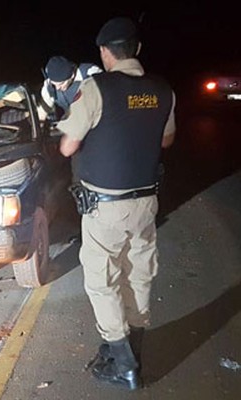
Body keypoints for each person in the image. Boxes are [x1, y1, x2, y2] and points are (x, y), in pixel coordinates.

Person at [56, 17, 176, 390]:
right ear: (137, 50)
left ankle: (121, 358)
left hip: (105, 206)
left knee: (101, 279)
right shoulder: (163, 90)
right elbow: (166, 140)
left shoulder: (97, 88)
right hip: (146, 202)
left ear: (105, 53)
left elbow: (67, 146)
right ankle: (134, 343)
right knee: (139, 271)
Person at [37, 55, 103, 122]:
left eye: (61, 84)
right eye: (54, 84)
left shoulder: (91, 73)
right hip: (68, 124)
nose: (57, 88)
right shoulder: (49, 86)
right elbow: (41, 114)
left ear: (72, 75)